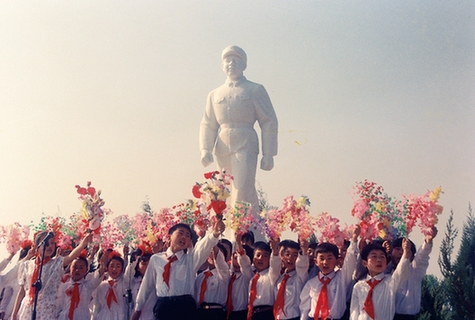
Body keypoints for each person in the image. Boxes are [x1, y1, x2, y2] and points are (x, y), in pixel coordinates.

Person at [199, 45, 278, 223]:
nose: (231, 63)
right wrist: (205, 148)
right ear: (222, 65)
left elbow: (269, 120)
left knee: (242, 187)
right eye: (227, 60)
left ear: (244, 65)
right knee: (224, 191)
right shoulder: (215, 94)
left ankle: (238, 231)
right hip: (223, 145)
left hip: (246, 142)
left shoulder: (255, 89)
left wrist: (269, 153)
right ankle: (245, 228)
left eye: (236, 60)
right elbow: (208, 123)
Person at [131, 220, 225, 320]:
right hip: (164, 306)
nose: (184, 237)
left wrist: (214, 234)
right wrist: (138, 309)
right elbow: (147, 285)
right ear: (169, 236)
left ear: (189, 242)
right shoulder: (156, 259)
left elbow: (203, 248)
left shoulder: (190, 260)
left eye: (188, 235)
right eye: (180, 233)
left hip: (184, 307)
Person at [12, 231, 92, 320]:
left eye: (52, 243)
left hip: (47, 311)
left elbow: (70, 257)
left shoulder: (56, 264)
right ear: (37, 246)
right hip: (27, 310)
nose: (50, 246)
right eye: (46, 243)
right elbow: (21, 292)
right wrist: (14, 314)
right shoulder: (26, 265)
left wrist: (82, 244)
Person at [299, 226, 359, 320]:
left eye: (330, 258)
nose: (325, 262)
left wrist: (354, 239)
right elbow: (304, 307)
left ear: (336, 260)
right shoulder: (311, 283)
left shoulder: (341, 278)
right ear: (316, 261)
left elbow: (349, 262)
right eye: (321, 259)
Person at [349, 239, 411, 320]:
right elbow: (354, 312)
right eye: (374, 256)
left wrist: (406, 253)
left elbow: (402, 272)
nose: (379, 260)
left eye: (382, 257)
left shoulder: (390, 282)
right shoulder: (358, 286)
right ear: (365, 263)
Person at [388, 228, 437, 320]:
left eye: (406, 250)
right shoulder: (386, 271)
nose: (402, 252)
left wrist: (428, 240)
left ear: (413, 257)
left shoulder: (415, 271)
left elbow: (422, 256)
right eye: (398, 249)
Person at [56, 254, 106, 320]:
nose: (77, 270)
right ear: (70, 268)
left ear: (86, 270)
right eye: (75, 267)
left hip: (82, 317)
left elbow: (96, 279)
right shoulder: (64, 286)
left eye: (81, 268)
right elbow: (58, 305)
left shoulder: (88, 286)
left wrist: (102, 267)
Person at [241, 239, 281, 320]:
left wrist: (275, 251)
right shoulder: (252, 277)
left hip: (266, 313)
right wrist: (238, 243)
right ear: (253, 259)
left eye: (265, 256)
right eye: (258, 255)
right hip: (253, 314)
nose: (261, 258)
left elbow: (275, 266)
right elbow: (244, 264)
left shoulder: (271, 275)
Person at [273, 239, 309, 320]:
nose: (290, 258)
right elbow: (274, 267)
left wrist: (304, 252)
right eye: (287, 254)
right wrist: (275, 251)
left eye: (295, 255)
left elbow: (302, 266)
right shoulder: (280, 279)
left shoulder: (300, 276)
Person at [194, 244, 230, 320]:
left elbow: (220, 262)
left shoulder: (224, 274)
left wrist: (213, 240)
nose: (213, 255)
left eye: (215, 253)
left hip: (215, 313)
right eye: (210, 253)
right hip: (200, 312)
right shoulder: (200, 276)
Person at [91, 252, 129, 320]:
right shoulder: (101, 285)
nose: (114, 269)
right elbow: (97, 306)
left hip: (120, 316)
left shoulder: (125, 283)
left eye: (118, 266)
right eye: (112, 266)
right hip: (103, 317)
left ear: (122, 269)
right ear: (107, 268)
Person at [227, 233, 254, 320]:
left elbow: (244, 262)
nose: (237, 262)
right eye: (235, 258)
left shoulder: (247, 275)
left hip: (242, 313)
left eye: (239, 259)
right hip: (229, 313)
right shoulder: (231, 275)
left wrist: (239, 243)